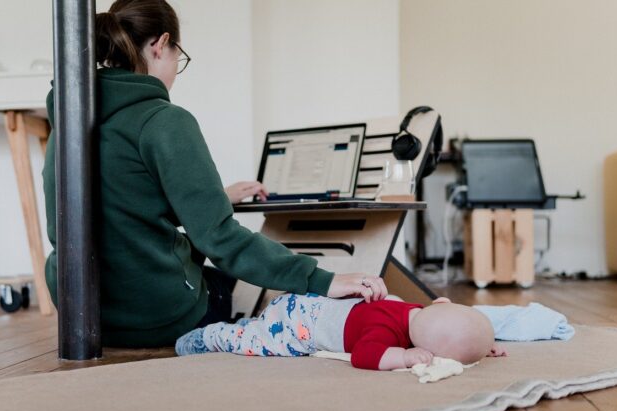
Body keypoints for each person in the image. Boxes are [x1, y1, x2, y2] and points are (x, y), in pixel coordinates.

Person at [41, 0, 388, 348]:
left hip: (83, 314)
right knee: (229, 287)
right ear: (161, 45)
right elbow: (219, 239)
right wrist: (323, 280)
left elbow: (125, 205)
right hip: (154, 317)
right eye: (179, 55)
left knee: (191, 255)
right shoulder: (163, 120)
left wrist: (217, 197)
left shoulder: (69, 122)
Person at [175, 296, 508, 370]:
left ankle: (253, 324)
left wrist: (484, 345)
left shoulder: (415, 308)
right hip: (296, 329)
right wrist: (404, 357)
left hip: (302, 305)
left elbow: (453, 326)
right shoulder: (384, 331)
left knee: (261, 325)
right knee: (256, 344)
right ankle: (210, 336)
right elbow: (364, 356)